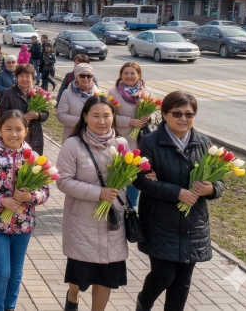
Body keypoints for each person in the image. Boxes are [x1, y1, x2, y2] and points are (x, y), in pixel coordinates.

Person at [133, 91, 224, 311]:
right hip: (160, 221)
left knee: (182, 282)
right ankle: (144, 303)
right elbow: (139, 180)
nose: (184, 119)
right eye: (177, 113)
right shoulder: (150, 142)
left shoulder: (204, 143)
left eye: (189, 114)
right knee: (164, 275)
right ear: (164, 114)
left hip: (193, 222)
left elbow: (219, 180)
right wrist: (177, 192)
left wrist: (211, 188)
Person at [56, 95, 129, 311]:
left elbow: (127, 177)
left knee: (106, 275)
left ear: (113, 117)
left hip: (112, 221)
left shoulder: (121, 143)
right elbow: (63, 181)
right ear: (85, 116)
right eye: (95, 115)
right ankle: (73, 294)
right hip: (82, 221)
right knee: (80, 273)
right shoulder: (73, 144)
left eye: (106, 116)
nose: (101, 121)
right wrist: (98, 193)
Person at [0, 110, 50, 311]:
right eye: (8, 129)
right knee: (2, 271)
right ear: (0, 130)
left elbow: (45, 190)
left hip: (23, 225)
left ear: (26, 131)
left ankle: (10, 307)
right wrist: (1, 200)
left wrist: (30, 197)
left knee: (16, 272)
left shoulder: (33, 157)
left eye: (18, 129)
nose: (13, 134)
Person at [107, 62, 154, 207]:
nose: (129, 76)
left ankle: (131, 206)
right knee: (122, 173)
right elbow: (109, 117)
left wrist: (149, 118)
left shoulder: (147, 92)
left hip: (142, 141)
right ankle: (118, 204)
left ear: (139, 75)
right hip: (123, 141)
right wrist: (130, 121)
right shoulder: (113, 93)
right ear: (121, 75)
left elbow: (157, 113)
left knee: (136, 174)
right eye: (125, 73)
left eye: (132, 73)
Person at [0, 64, 49, 155]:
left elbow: (46, 113)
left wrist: (37, 115)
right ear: (16, 77)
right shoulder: (9, 93)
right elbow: (2, 112)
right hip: (15, 135)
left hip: (35, 135)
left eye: (27, 76)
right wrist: (19, 118)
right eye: (21, 76)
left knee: (33, 164)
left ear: (32, 77)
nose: (24, 79)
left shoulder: (39, 93)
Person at [57, 63, 100, 143]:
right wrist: (84, 121)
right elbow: (61, 116)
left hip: (93, 137)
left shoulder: (98, 93)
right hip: (73, 136)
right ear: (76, 77)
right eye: (82, 76)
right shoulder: (67, 93)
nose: (86, 78)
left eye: (89, 76)